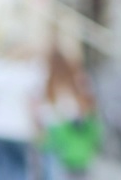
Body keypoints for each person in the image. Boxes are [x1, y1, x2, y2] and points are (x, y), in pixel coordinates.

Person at [0, 45, 45, 180]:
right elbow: (34, 105)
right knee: (19, 169)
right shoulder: (27, 73)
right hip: (20, 129)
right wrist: (39, 126)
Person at [38, 50, 101, 180]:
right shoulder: (75, 81)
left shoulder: (49, 82)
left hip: (55, 135)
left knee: (53, 172)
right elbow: (87, 109)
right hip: (68, 136)